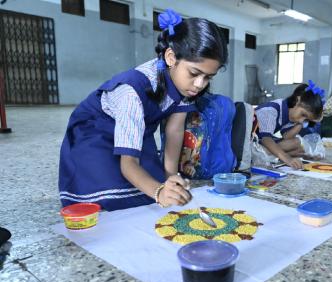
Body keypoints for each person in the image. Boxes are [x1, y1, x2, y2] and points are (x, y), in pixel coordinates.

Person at [58, 9, 228, 211]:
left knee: (150, 186)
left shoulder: (185, 85)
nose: (200, 84)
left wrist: (170, 178)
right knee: (112, 197)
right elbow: (128, 162)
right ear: (171, 57)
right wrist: (159, 192)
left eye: (208, 77)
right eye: (194, 73)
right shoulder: (131, 91)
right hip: (96, 134)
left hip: (136, 133)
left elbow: (174, 131)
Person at [254, 80, 324, 169]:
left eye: (306, 120)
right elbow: (266, 139)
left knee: (297, 143)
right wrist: (288, 159)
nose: (302, 121)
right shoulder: (271, 110)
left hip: (263, 143)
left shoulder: (289, 113)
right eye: (303, 115)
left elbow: (287, 137)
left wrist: (304, 122)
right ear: (297, 100)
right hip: (251, 143)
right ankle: (270, 155)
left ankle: (272, 155)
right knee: (289, 149)